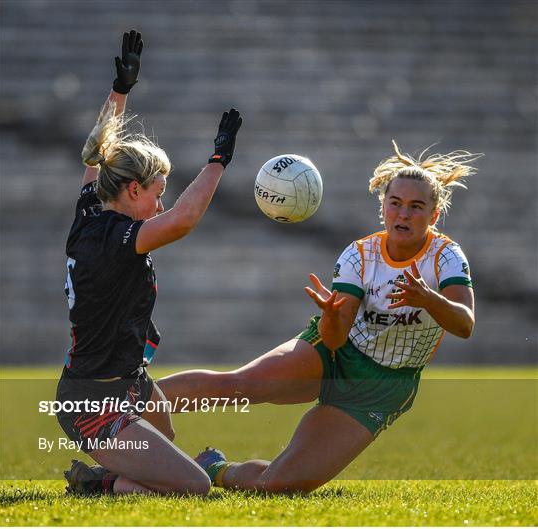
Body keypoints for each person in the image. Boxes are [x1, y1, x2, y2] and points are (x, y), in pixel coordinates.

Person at [156, 141, 480, 493]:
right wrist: (330, 316)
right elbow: (336, 338)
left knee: (277, 484)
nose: (404, 214)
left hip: (382, 387)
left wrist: (429, 299)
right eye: (395, 203)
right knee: (239, 385)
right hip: (333, 352)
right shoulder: (360, 255)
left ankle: (214, 467)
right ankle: (118, 409)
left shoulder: (445, 255)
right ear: (383, 207)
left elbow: (464, 324)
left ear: (433, 216)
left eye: (416, 207)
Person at [56, 29, 242, 496]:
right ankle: (99, 482)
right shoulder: (118, 238)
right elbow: (183, 220)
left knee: (168, 441)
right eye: (157, 194)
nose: (160, 205)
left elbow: (97, 152)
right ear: (134, 190)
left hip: (127, 380)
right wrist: (219, 159)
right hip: (92, 398)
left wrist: (120, 92)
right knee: (192, 486)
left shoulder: (91, 210)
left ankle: (120, 469)